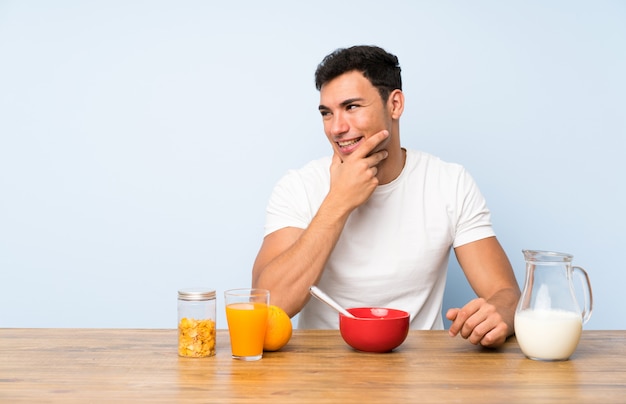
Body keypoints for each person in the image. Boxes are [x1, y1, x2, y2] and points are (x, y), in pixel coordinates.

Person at [252, 45, 520, 348]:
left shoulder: (449, 182)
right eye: (327, 113)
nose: (337, 128)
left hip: (418, 374)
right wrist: (338, 202)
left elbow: (506, 293)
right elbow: (267, 305)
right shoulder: (299, 186)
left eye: (351, 107)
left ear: (394, 105)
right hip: (321, 375)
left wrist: (499, 312)